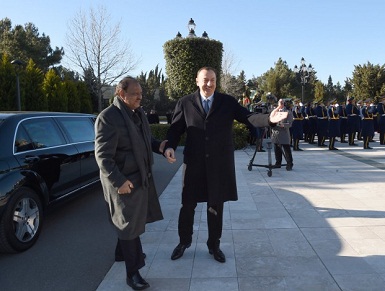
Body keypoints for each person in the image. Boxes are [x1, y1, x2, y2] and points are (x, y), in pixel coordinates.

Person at [163, 67, 287, 263]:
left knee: (215, 206)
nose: (209, 84)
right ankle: (183, 242)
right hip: (194, 164)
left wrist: (268, 119)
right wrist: (169, 146)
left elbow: (248, 117)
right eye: (205, 80)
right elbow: (175, 129)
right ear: (197, 80)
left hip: (218, 164)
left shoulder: (227, 102)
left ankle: (214, 245)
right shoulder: (185, 103)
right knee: (187, 205)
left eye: (212, 80)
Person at [94, 76, 165, 290]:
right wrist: (119, 181)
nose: (140, 98)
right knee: (127, 224)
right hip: (122, 181)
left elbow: (146, 141)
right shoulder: (108, 118)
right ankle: (133, 273)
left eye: (141, 94)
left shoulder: (137, 113)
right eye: (135, 94)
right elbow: (103, 157)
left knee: (131, 221)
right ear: (121, 94)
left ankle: (121, 252)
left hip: (139, 177)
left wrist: (160, 146)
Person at [272, 99, 294, 170]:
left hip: (284, 133)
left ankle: (289, 164)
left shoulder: (288, 112)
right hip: (276, 132)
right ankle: (278, 163)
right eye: (279, 102)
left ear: (284, 103)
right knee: (277, 149)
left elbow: (290, 124)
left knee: (286, 149)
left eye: (282, 102)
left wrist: (283, 125)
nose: (281, 103)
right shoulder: (275, 111)